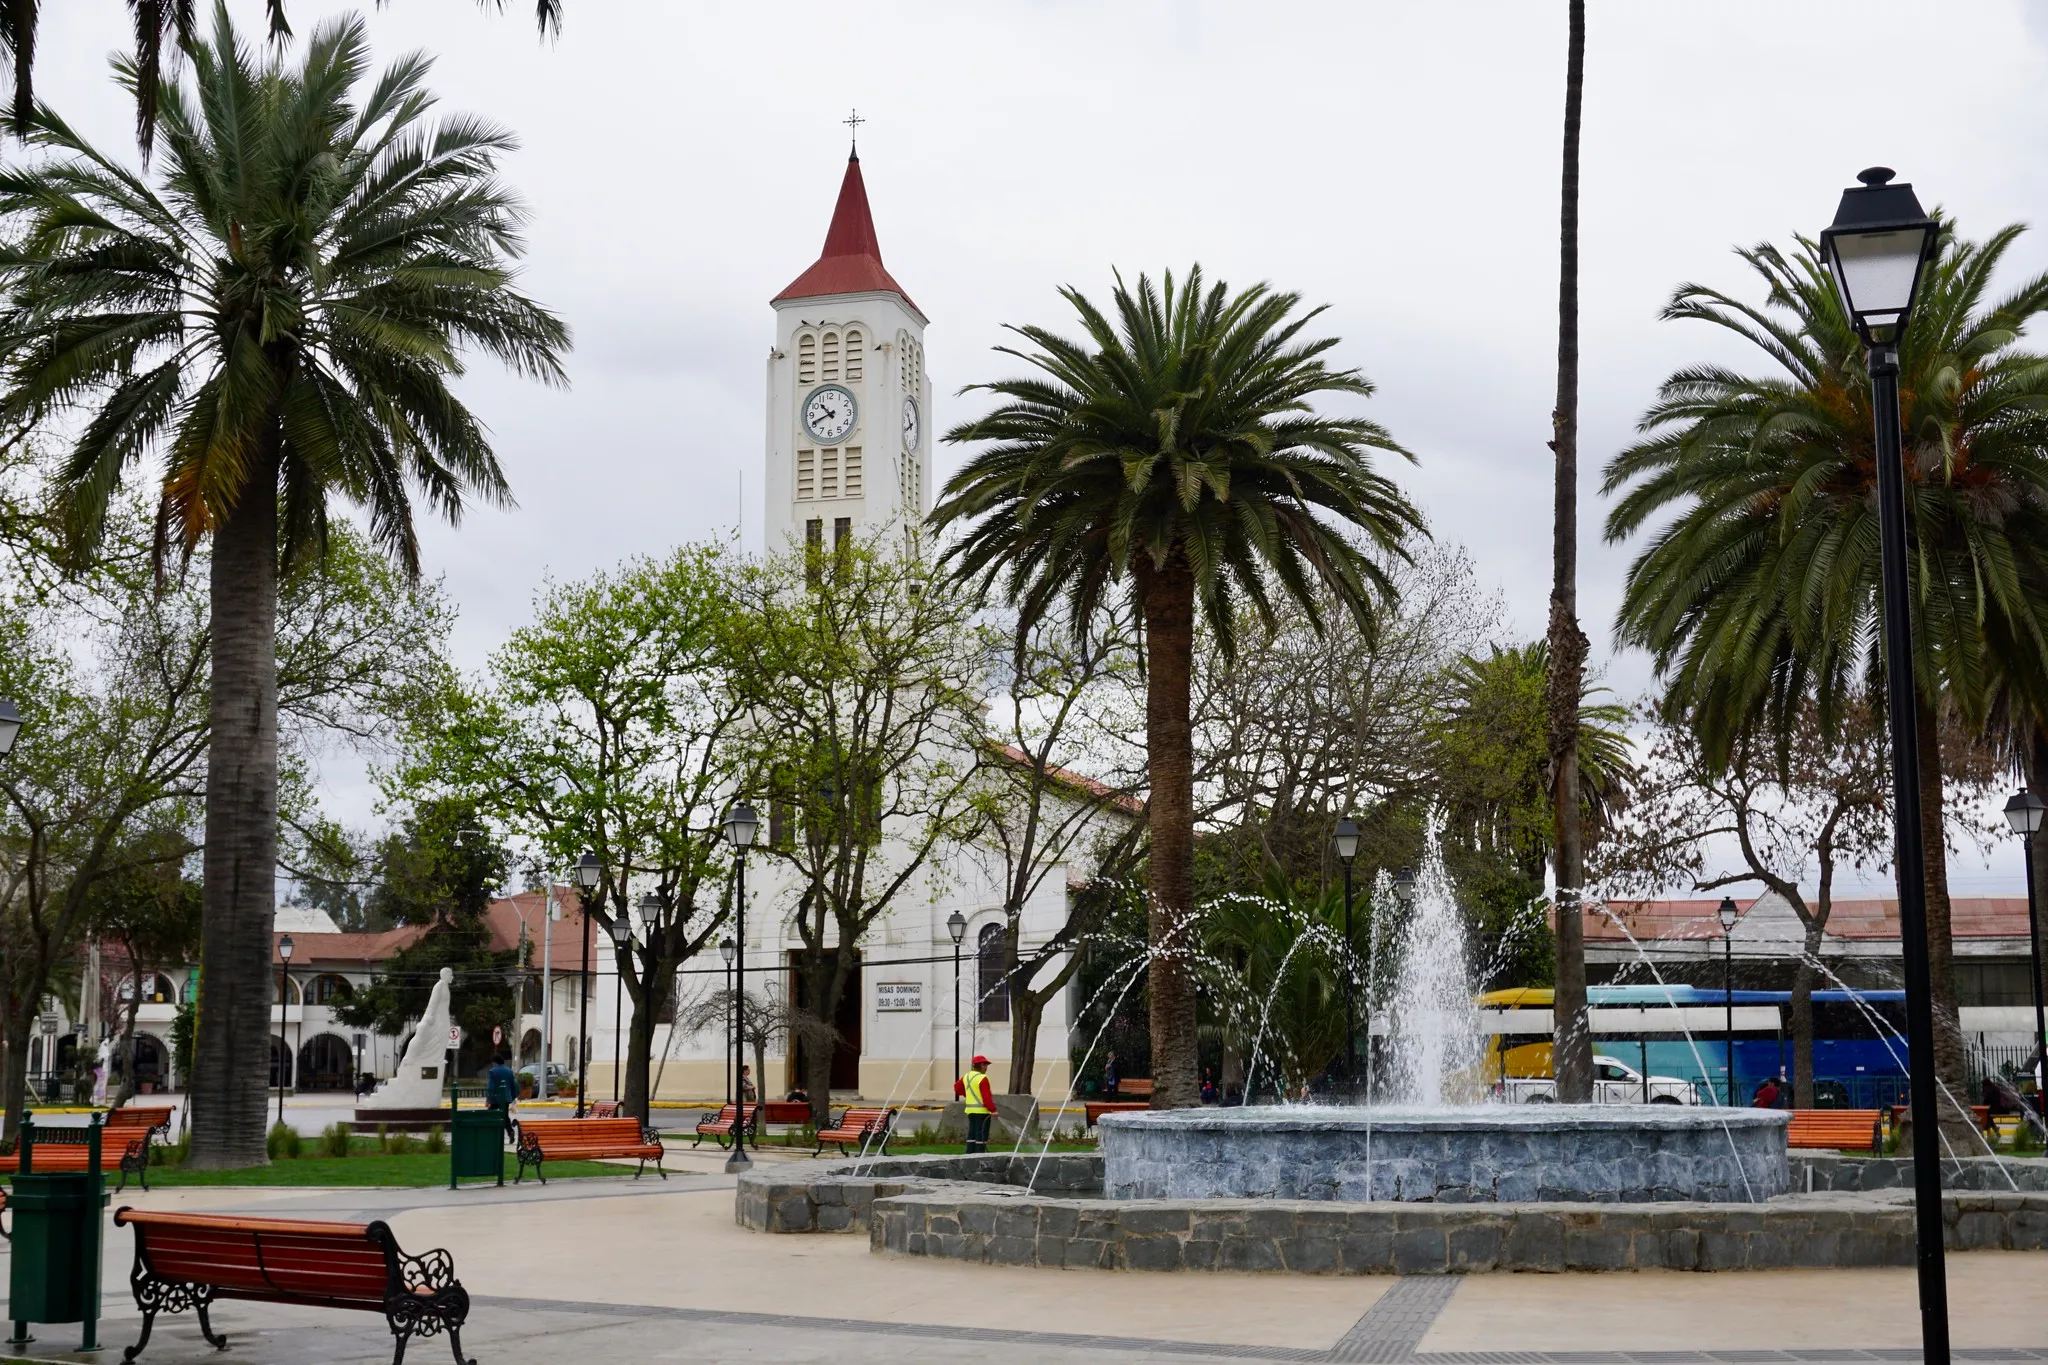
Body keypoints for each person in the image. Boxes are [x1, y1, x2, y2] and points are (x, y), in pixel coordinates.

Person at [956, 1054, 996, 1154]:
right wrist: (993, 1110)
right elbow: (986, 1097)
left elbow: (957, 1088)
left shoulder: (967, 1076)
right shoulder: (982, 1078)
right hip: (982, 1112)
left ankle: (969, 1154)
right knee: (981, 1135)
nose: (986, 1068)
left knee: (972, 1133)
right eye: (986, 1065)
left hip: (970, 1111)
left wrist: (967, 1094)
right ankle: (979, 1155)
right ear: (982, 1065)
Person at [485, 1050, 519, 1141]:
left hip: (495, 1099)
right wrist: (513, 1098)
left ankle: (491, 1134)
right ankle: (510, 1132)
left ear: (494, 1062)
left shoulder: (493, 1071)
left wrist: (488, 1099)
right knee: (504, 1116)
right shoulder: (509, 1071)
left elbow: (491, 1087)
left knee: (490, 1115)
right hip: (506, 1099)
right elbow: (513, 1086)